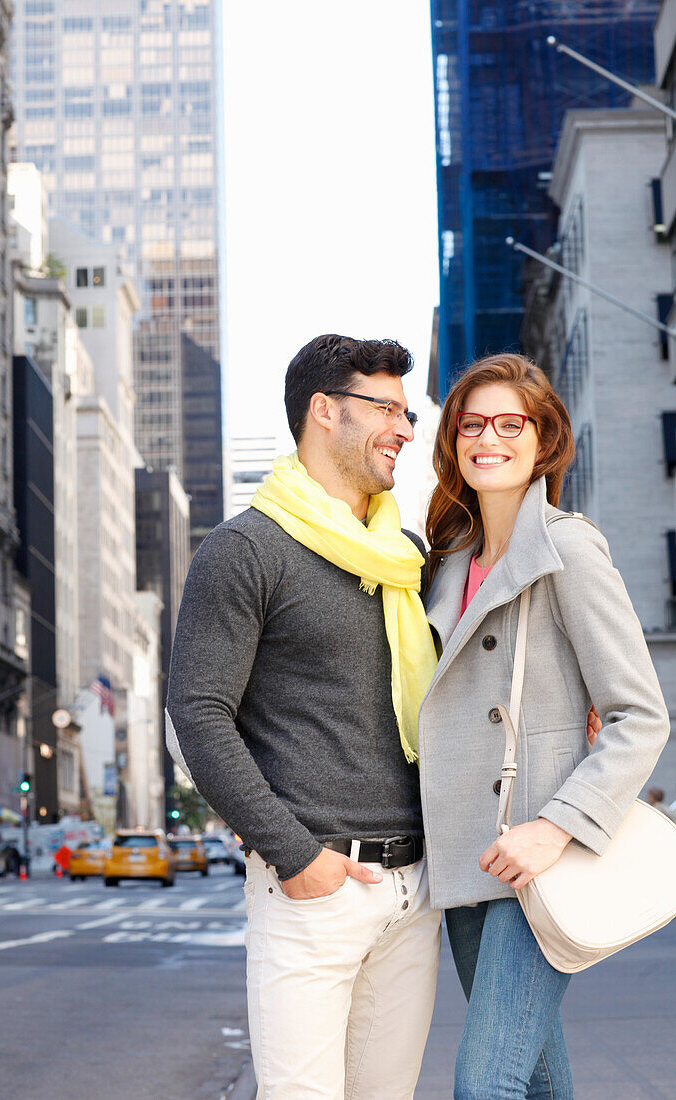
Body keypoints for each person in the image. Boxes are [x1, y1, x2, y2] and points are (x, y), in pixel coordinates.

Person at [166, 334, 442, 1099]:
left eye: (407, 411)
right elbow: (198, 710)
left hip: (413, 887)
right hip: (313, 885)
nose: (405, 430)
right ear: (324, 411)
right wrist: (294, 856)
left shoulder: (406, 554)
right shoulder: (244, 549)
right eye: (384, 408)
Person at [420, 353, 670, 1099]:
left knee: (484, 1083)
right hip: (469, 852)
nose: (486, 438)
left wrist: (554, 827)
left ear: (543, 439)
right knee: (532, 1080)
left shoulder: (565, 546)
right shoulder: (447, 560)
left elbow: (638, 715)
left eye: (508, 423)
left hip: (536, 851)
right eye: (471, 424)